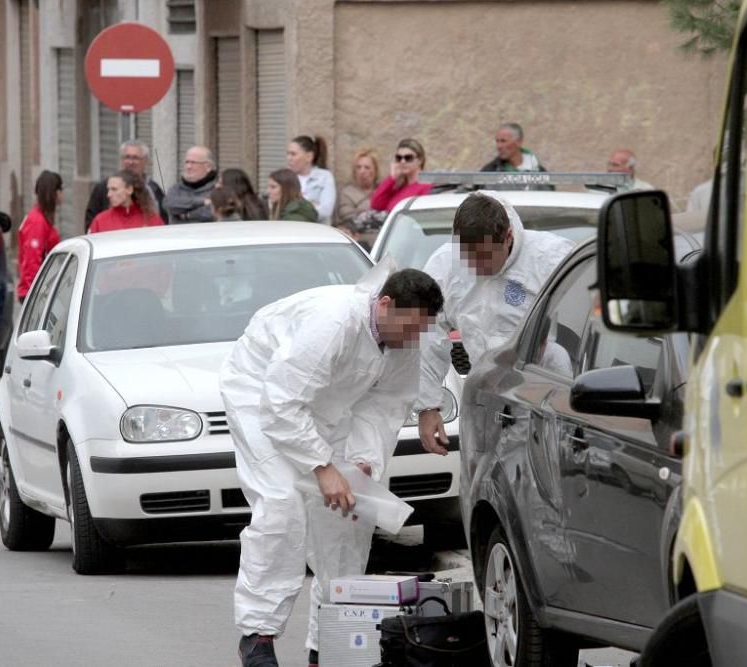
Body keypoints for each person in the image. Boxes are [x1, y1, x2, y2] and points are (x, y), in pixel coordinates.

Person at [220, 265, 444, 667]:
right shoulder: (334, 323)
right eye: (410, 327)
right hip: (261, 393)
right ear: (386, 305)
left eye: (421, 331)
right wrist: (322, 467)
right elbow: (282, 403)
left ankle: (330, 643)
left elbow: (385, 405)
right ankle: (258, 635)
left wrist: (362, 459)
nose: (413, 339)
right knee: (282, 506)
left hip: (331, 408)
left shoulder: (405, 340)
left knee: (347, 520)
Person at [416, 193, 574, 454]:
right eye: (469, 257)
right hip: (484, 404)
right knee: (484, 489)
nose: (476, 266)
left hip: (546, 405)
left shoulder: (551, 258)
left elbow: (581, 332)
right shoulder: (445, 265)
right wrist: (428, 406)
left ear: (508, 237)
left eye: (485, 256)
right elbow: (426, 336)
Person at [84, 139, 167, 231]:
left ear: (145, 161)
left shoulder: (154, 190)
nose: (130, 162)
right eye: (127, 157)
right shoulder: (102, 188)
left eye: (135, 158)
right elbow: (90, 224)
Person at [17, 170, 62, 303]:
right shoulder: (37, 221)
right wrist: (35, 294)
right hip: (34, 292)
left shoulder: (42, 218)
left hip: (41, 289)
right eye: (61, 189)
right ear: (55, 192)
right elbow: (32, 260)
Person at [88, 170, 165, 233]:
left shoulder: (152, 220)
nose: (109, 194)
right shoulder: (100, 221)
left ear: (129, 189)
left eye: (114, 189)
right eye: (108, 189)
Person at [369, 139, 432, 213]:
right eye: (399, 158)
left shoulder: (426, 187)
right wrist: (392, 178)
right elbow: (376, 205)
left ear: (420, 160)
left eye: (408, 158)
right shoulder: (399, 187)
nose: (403, 162)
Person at [287, 135, 336, 223]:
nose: (289, 158)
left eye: (293, 154)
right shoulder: (286, 177)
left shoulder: (324, 177)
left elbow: (326, 211)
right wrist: (311, 205)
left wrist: (299, 208)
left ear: (309, 157)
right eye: (288, 154)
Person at [165, 146, 218, 223]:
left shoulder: (217, 188)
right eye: (187, 162)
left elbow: (214, 211)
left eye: (193, 163)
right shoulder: (176, 188)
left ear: (208, 167)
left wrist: (187, 215)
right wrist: (202, 201)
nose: (188, 166)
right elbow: (168, 204)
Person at [336, 148, 380, 226]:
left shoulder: (383, 191)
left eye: (367, 167)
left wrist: (359, 211)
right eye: (358, 167)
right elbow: (348, 217)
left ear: (375, 171)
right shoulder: (347, 193)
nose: (362, 172)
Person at [480, 123, 546, 172]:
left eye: (503, 141)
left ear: (519, 142)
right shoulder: (489, 172)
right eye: (497, 141)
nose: (498, 146)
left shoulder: (540, 173)